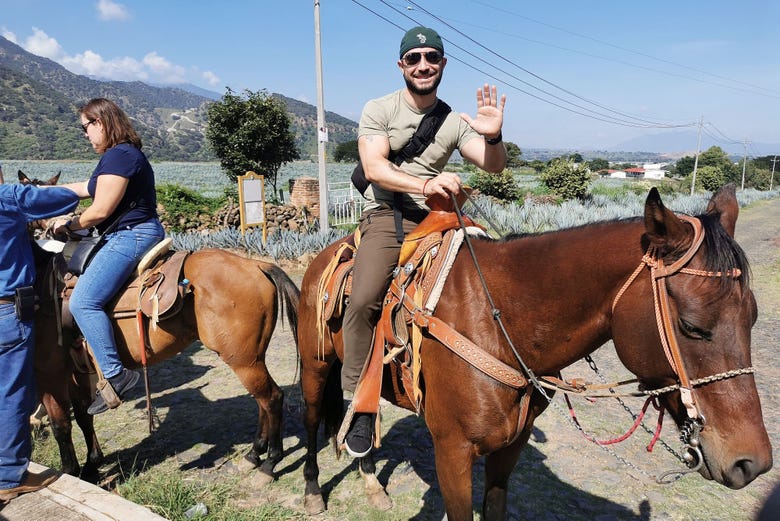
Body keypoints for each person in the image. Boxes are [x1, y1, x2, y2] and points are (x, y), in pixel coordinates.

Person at [342, 26, 507, 457]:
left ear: (442, 64)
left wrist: (492, 134)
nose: (422, 65)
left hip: (438, 217)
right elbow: (375, 168)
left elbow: (493, 166)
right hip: (388, 215)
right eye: (413, 58)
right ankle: (360, 401)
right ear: (401, 65)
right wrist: (426, 182)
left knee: (490, 281)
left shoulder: (453, 121)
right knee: (363, 300)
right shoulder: (379, 109)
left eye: (431, 57)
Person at [53, 98, 165, 415]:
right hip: (133, 232)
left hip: (132, 235)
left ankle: (117, 375)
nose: (85, 134)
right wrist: (39, 196)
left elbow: (99, 211)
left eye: (86, 127)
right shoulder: (117, 157)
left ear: (100, 123)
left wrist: (68, 224)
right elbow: (84, 188)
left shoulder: (120, 156)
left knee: (82, 301)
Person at [0, 183, 80, 502]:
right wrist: (100, 180)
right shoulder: (7, 198)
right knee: (12, 393)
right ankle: (8, 475)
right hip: (7, 309)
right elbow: (57, 197)